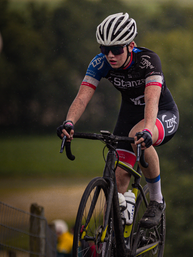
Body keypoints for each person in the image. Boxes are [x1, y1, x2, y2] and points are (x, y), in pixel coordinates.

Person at [57, 12, 179, 228]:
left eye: (116, 49)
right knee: (119, 176)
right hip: (129, 114)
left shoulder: (148, 61)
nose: (110, 55)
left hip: (160, 112)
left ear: (131, 45)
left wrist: (148, 131)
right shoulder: (100, 63)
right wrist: (69, 123)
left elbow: (152, 101)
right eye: (104, 49)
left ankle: (157, 201)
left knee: (137, 137)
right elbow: (82, 97)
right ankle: (112, 241)